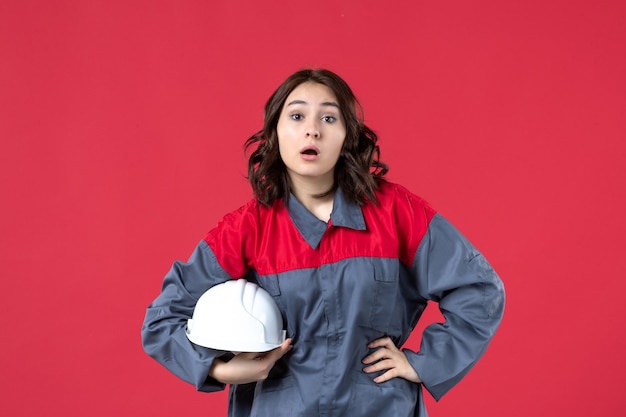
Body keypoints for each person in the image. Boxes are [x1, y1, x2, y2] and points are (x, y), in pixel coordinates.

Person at [141, 68, 505, 417]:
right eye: (297, 117)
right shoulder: (246, 229)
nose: (312, 131)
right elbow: (162, 320)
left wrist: (423, 363)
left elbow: (480, 290)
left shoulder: (397, 213)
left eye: (329, 119)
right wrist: (219, 370)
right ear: (274, 134)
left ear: (348, 135)